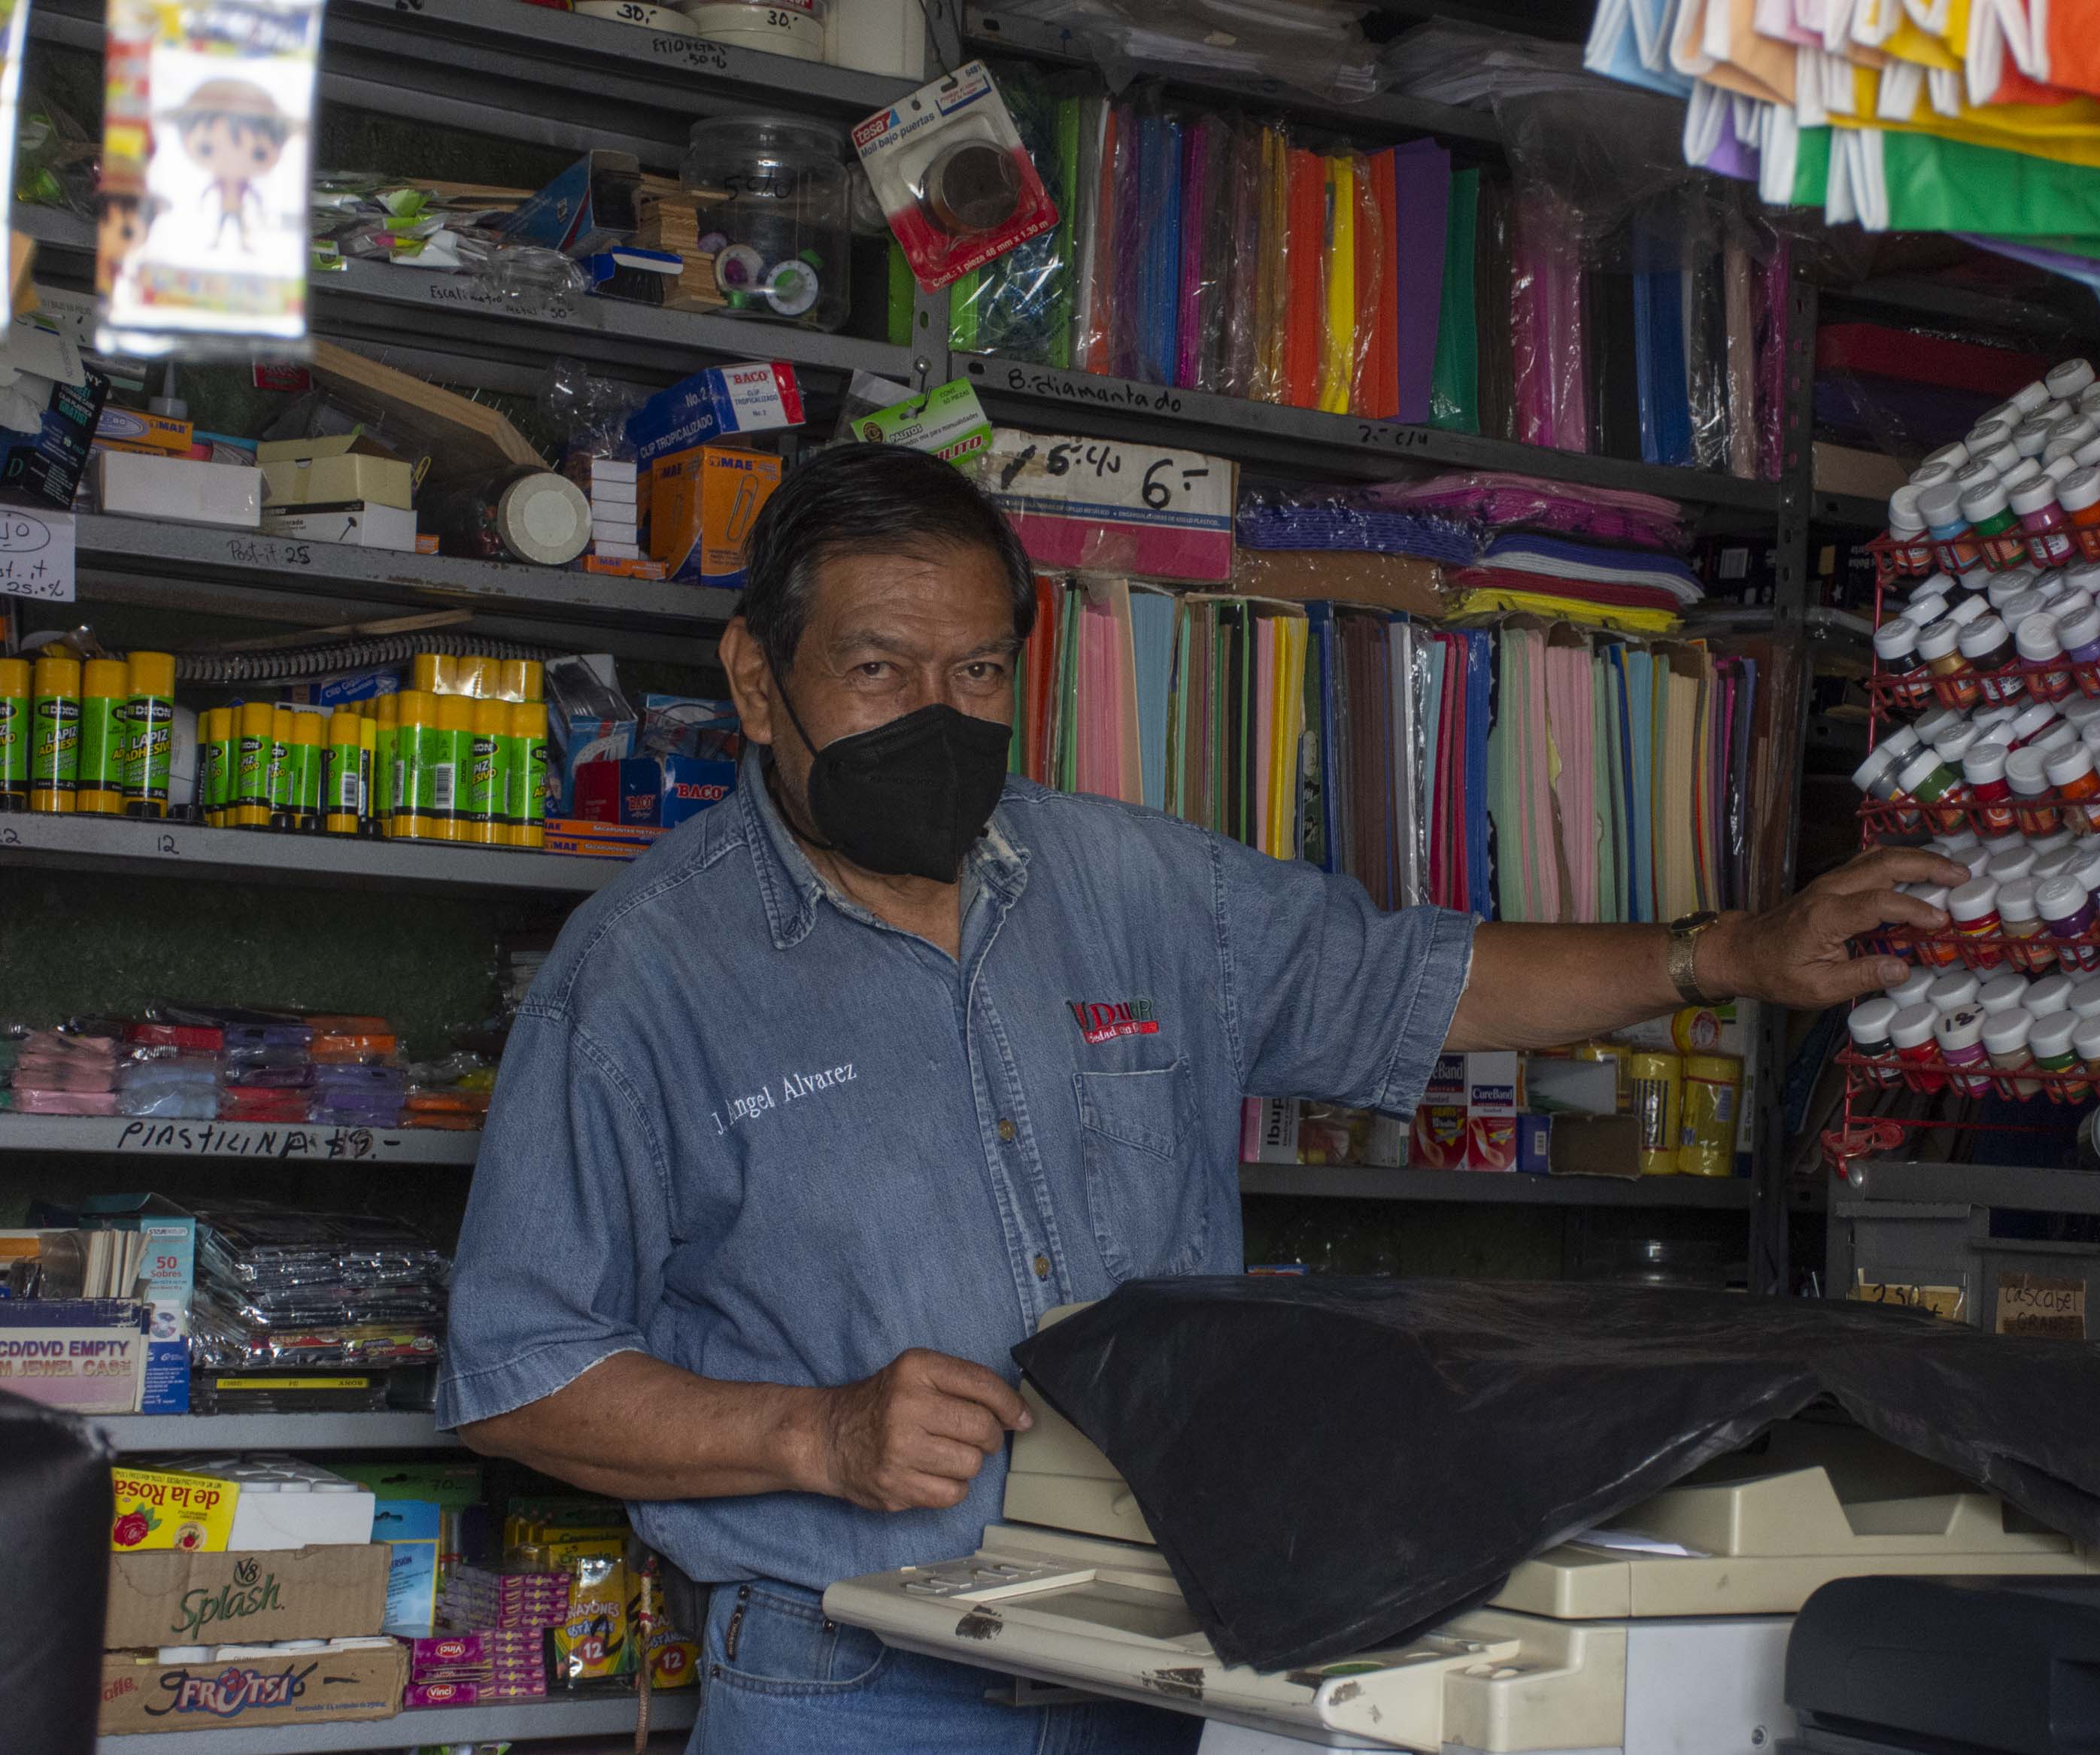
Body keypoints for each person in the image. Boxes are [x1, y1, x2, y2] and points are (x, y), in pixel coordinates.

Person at [439, 445, 1962, 1753]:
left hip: (1165, 1661)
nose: (937, 712)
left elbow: (1428, 981)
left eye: (976, 672)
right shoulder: (645, 972)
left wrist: (1728, 954)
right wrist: (814, 1438)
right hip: (857, 1684)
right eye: (878, 669)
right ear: (758, 683)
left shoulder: (1136, 886)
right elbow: (519, 1373)